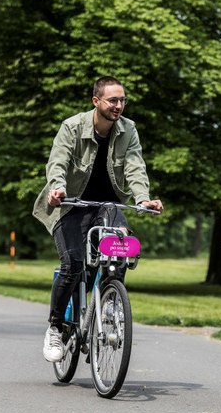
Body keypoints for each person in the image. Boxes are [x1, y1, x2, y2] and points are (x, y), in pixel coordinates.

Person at [33, 76, 163, 363]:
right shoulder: (72, 126)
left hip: (108, 204)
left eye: (122, 100)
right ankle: (55, 327)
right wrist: (57, 188)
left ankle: (110, 306)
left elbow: (134, 166)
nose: (119, 105)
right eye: (113, 100)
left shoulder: (128, 129)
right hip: (71, 203)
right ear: (96, 101)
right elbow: (58, 161)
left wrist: (143, 198)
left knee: (121, 250)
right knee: (73, 265)